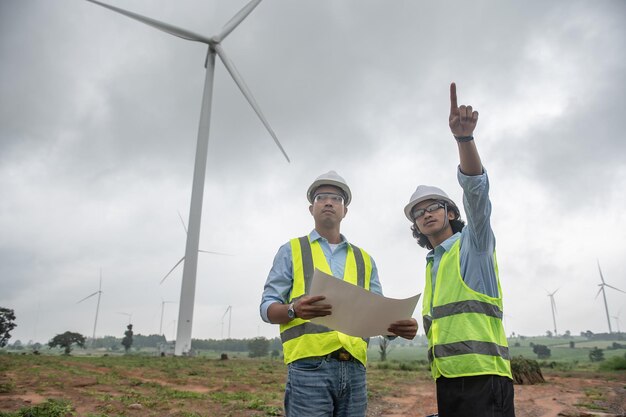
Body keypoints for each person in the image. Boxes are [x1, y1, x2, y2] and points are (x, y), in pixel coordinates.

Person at [261, 170, 418, 417]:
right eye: (321, 197)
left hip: (355, 369)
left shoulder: (365, 260)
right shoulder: (291, 250)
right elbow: (267, 308)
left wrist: (396, 328)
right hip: (308, 367)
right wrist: (294, 309)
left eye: (337, 199)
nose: (328, 202)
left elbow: (377, 315)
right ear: (311, 208)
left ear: (345, 210)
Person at [404, 83, 515, 417]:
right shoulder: (432, 264)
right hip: (447, 379)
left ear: (451, 212)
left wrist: (463, 140)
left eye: (433, 206)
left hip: (484, 377)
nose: (425, 213)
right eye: (417, 212)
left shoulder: (474, 246)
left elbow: (477, 193)